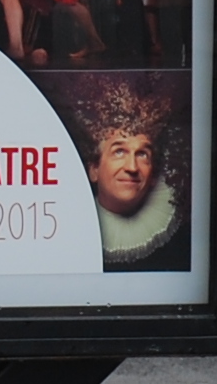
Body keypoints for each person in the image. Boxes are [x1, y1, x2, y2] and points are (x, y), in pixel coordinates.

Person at [71, 88, 183, 272]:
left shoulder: (178, 241)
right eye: (119, 152)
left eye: (142, 154)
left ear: (153, 174)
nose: (132, 167)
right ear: (94, 169)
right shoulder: (72, 232)